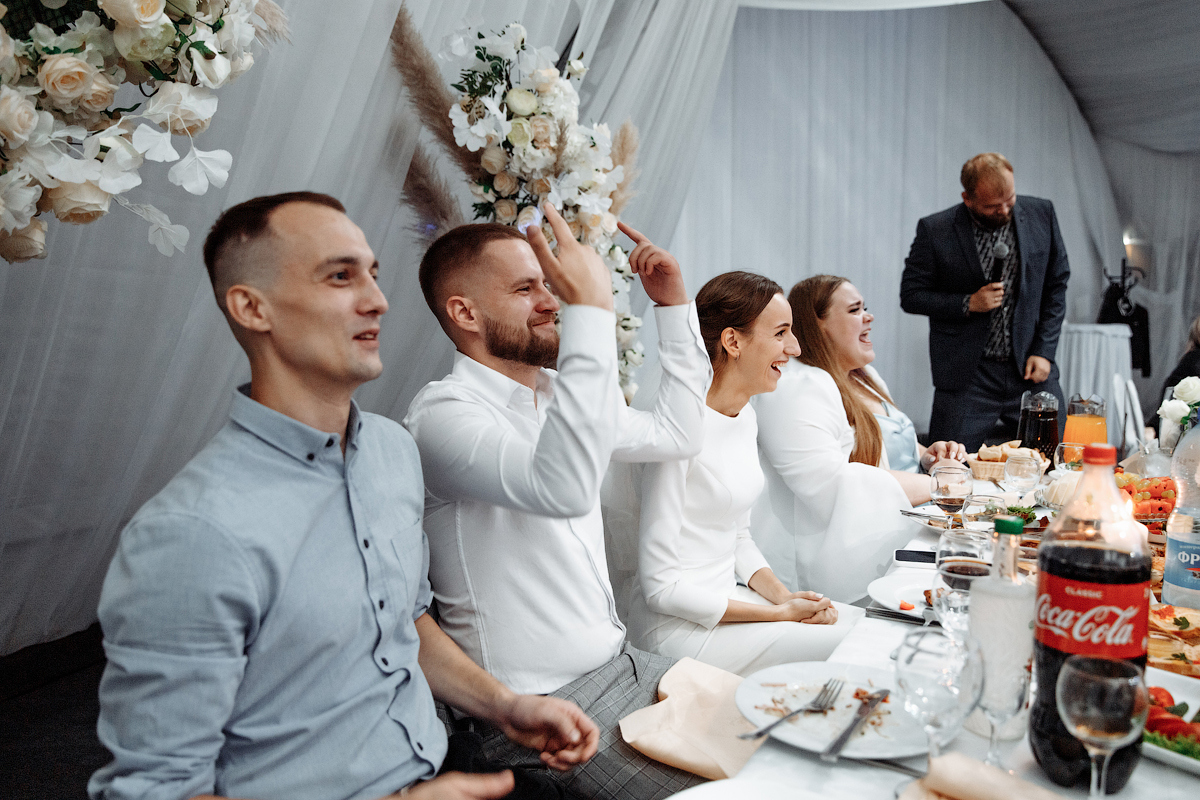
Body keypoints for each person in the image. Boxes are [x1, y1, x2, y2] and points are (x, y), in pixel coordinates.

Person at [89, 193, 598, 800]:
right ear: (252, 307)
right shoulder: (191, 532)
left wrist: (505, 706)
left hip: (444, 771)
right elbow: (155, 792)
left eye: (374, 276)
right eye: (339, 276)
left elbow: (405, 624)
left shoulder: (389, 452)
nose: (377, 301)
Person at [403, 205, 710, 800]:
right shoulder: (442, 417)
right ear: (464, 312)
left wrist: (671, 306)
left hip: (625, 667)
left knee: (784, 745)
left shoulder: (558, 392)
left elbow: (679, 435)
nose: (551, 300)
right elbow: (560, 485)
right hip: (534, 717)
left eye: (551, 284)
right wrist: (590, 312)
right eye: (526, 287)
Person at [627, 271, 859, 676]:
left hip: (730, 602)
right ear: (733, 341)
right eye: (781, 332)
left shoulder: (745, 415)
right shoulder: (678, 434)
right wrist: (778, 615)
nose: (795, 347)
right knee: (857, 646)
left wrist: (786, 598)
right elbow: (661, 590)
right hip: (679, 629)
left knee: (861, 626)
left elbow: (737, 536)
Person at [752, 275, 967, 603]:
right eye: (855, 310)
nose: (869, 316)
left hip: (912, 520)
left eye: (866, 308)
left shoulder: (866, 377)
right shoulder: (801, 387)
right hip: (855, 553)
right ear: (820, 325)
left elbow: (883, 443)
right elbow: (829, 483)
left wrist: (927, 455)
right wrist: (943, 486)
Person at [900, 152, 1070, 450]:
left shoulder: (1042, 213)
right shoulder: (936, 230)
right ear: (968, 198)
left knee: (1058, 461)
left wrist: (1044, 351)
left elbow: (1056, 285)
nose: (1005, 210)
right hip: (969, 376)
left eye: (1010, 199)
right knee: (947, 466)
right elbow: (911, 296)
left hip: (1030, 367)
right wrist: (968, 303)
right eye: (992, 206)